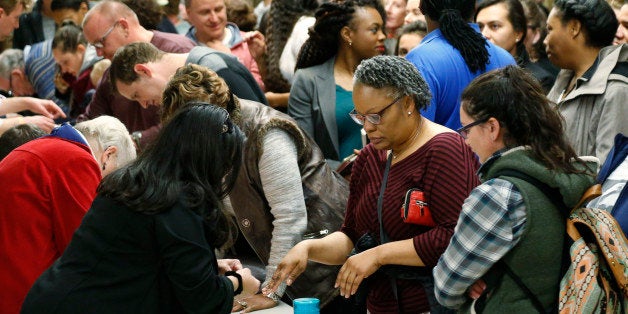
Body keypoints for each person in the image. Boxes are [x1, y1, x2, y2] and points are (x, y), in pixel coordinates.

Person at [265, 56, 480, 313]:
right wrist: (307, 247)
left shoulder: (445, 149)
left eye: (376, 116)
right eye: (360, 117)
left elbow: (454, 236)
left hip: (431, 304)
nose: (368, 127)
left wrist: (379, 255)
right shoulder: (369, 157)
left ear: (408, 103)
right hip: (378, 304)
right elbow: (351, 236)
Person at [21, 105, 260, 314]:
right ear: (212, 162)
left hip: (54, 298)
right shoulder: (179, 201)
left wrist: (204, 267)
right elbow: (201, 299)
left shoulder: (133, 183)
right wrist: (239, 283)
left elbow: (132, 256)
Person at [160, 64, 349, 312]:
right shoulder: (214, 138)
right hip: (288, 270)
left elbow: (290, 217)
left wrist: (271, 290)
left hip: (326, 270)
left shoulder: (268, 133)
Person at [433, 65, 598, 312]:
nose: (465, 140)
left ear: (492, 127)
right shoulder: (564, 173)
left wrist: (473, 282)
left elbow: (446, 288)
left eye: (466, 129)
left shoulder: (498, 196)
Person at [0, 116, 136, 314]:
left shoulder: (45, 148)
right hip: (23, 295)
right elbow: (87, 249)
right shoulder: (76, 159)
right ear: (108, 156)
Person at [79, 0, 197, 148]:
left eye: (100, 43)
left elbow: (191, 119)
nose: (98, 53)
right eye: (94, 47)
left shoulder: (179, 51)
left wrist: (136, 141)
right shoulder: (112, 73)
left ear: (123, 26)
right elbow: (92, 119)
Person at [289, 0, 387, 165]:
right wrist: (345, 168)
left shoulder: (386, 78)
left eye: (382, 29)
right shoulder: (308, 80)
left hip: (384, 183)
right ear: (347, 34)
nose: (383, 36)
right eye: (374, 30)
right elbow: (302, 152)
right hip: (335, 184)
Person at [405, 0, 515, 130]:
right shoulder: (506, 59)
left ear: (422, 7)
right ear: (474, 8)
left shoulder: (419, 61)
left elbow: (413, 136)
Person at [545, 0, 627, 164]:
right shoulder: (565, 78)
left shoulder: (616, 90)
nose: (545, 40)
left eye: (550, 29)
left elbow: (608, 172)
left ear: (574, 28)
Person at [108, 42, 268, 108]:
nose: (143, 104)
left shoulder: (215, 69)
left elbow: (259, 127)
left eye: (137, 95)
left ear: (143, 70)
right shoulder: (183, 87)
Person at [475, 0, 555, 92]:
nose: (484, 34)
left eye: (495, 26)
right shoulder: (470, 71)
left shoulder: (536, 81)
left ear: (518, 33)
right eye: (479, 27)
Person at [185, 0, 265, 90]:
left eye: (218, 9)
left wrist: (260, 60)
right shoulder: (181, 49)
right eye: (205, 12)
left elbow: (259, 93)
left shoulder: (248, 43)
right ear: (189, 14)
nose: (214, 19)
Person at [261, 0, 318, 109]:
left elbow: (317, 93)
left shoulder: (305, 28)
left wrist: (275, 99)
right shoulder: (291, 31)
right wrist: (259, 57)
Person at [52, 23, 103, 120]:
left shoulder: (101, 69)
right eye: (59, 65)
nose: (63, 70)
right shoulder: (73, 78)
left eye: (66, 62)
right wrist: (64, 93)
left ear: (80, 49)